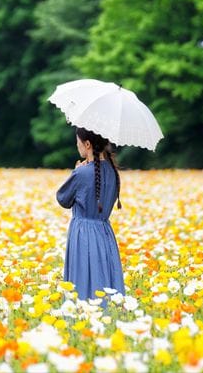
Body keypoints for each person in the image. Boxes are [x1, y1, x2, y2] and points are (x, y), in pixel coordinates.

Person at [56, 127, 125, 304]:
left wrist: (75, 172)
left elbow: (63, 198)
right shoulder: (112, 171)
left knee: (83, 280)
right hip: (105, 232)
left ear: (87, 144)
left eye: (78, 141)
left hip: (83, 234)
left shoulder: (82, 172)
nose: (76, 144)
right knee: (104, 278)